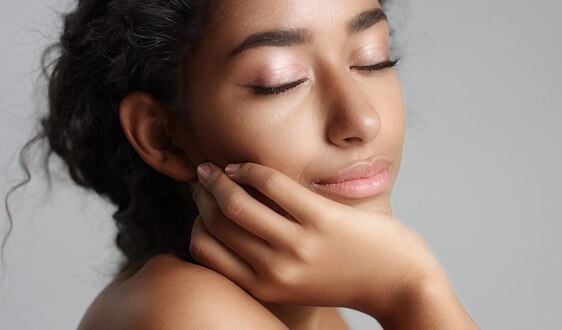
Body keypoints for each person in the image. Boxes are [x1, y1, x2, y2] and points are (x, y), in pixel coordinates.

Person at [30, 0, 478, 328]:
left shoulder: (317, 311)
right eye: (281, 81)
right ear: (164, 136)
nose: (362, 119)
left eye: (372, 59)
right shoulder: (183, 311)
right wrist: (411, 289)